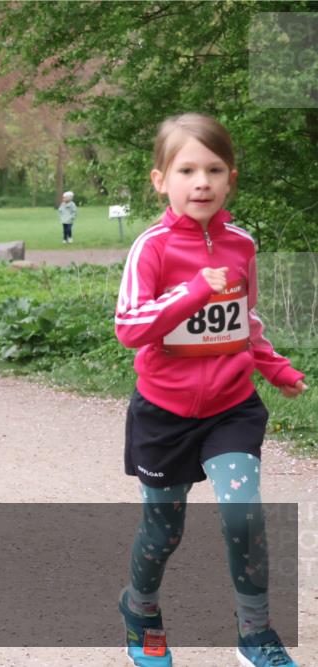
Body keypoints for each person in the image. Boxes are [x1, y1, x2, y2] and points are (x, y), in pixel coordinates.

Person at [114, 113, 306, 667]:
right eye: (187, 169)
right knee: (163, 528)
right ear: (161, 180)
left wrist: (275, 368)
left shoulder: (241, 245)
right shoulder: (151, 248)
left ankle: (257, 635)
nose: (202, 182)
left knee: (243, 514)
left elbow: (245, 319)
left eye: (214, 169)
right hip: (164, 413)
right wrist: (193, 291)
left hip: (230, 408)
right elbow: (129, 327)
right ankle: (141, 611)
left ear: (230, 179)